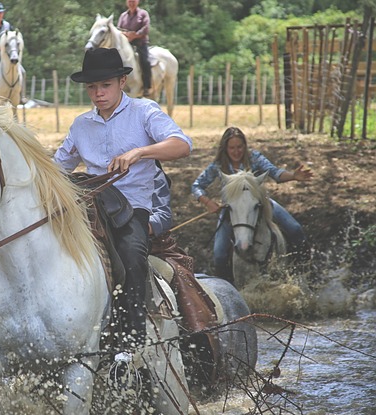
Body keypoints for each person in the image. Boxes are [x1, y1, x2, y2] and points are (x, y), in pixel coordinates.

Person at [53, 47, 192, 358]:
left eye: (105, 85)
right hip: (90, 206)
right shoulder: (80, 125)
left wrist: (138, 152)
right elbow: (57, 167)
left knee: (131, 257)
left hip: (131, 209)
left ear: (122, 83)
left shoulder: (145, 112)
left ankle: (130, 345)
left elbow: (182, 146)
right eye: (92, 87)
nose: (98, 93)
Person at [191, 126, 313, 282]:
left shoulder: (254, 158)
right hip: (232, 210)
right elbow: (196, 186)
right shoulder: (218, 165)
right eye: (232, 148)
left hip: (261, 204)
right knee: (219, 254)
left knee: (295, 230)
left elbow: (274, 173)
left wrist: (293, 176)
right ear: (225, 148)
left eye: (240, 147)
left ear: (245, 146)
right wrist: (207, 202)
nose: (236, 151)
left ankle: (305, 272)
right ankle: (227, 289)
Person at [117, 0, 152, 97]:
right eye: (129, 1)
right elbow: (118, 29)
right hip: (126, 44)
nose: (131, 3)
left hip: (140, 44)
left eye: (133, 1)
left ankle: (146, 87)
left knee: (145, 61)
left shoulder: (143, 13)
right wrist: (126, 35)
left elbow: (146, 27)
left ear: (138, 2)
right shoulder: (123, 16)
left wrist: (135, 35)